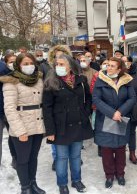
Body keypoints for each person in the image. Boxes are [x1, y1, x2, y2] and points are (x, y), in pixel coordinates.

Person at [43, 54, 93, 194]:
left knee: (76, 156)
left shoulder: (81, 80)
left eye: (62, 64)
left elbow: (88, 98)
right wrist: (50, 130)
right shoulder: (51, 82)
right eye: (57, 64)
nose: (58, 67)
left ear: (70, 66)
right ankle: (62, 183)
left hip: (78, 123)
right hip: (60, 127)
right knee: (62, 157)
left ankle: (76, 180)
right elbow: (47, 109)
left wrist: (85, 112)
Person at [0, 53, 45, 194]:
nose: (29, 66)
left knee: (33, 157)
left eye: (31, 63)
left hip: (37, 124)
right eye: (25, 64)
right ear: (18, 65)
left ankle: (33, 183)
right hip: (21, 126)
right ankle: (25, 187)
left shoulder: (38, 79)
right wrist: (20, 131)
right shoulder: (11, 81)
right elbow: (9, 108)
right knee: (23, 158)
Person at [93, 57, 136, 189]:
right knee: (106, 149)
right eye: (108, 65)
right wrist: (112, 113)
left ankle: (120, 174)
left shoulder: (126, 80)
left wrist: (120, 112)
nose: (109, 68)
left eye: (112, 66)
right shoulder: (101, 80)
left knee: (120, 148)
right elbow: (96, 99)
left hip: (121, 118)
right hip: (106, 118)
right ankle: (109, 175)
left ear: (119, 69)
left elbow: (132, 98)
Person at [122, 56, 137, 164]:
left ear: (130, 63)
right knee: (120, 132)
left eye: (127, 61)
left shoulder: (136, 77)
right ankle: (120, 154)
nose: (125, 63)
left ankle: (132, 153)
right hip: (121, 109)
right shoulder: (117, 76)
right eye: (123, 61)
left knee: (131, 132)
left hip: (134, 109)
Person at [0, 53, 17, 169]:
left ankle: (16, 159)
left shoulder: (4, 68)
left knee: (14, 137)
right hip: (2, 109)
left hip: (11, 109)